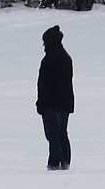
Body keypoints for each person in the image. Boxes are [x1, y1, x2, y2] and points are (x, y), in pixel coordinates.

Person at [36, 24, 75, 171]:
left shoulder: (48, 60)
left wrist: (41, 103)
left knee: (53, 136)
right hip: (65, 103)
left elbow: (44, 85)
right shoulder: (66, 58)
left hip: (51, 104)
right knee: (62, 133)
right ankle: (65, 162)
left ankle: (54, 164)